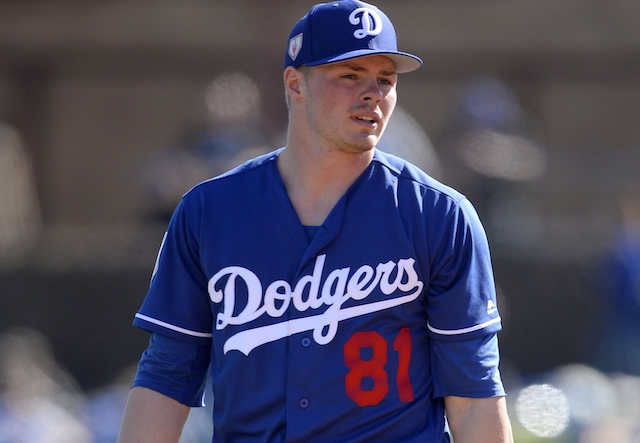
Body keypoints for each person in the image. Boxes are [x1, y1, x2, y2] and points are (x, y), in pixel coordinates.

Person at [117, 1, 513, 442]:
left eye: (385, 79)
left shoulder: (439, 215)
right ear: (295, 83)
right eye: (349, 75)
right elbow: (167, 374)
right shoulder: (209, 212)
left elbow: (474, 395)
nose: (372, 93)